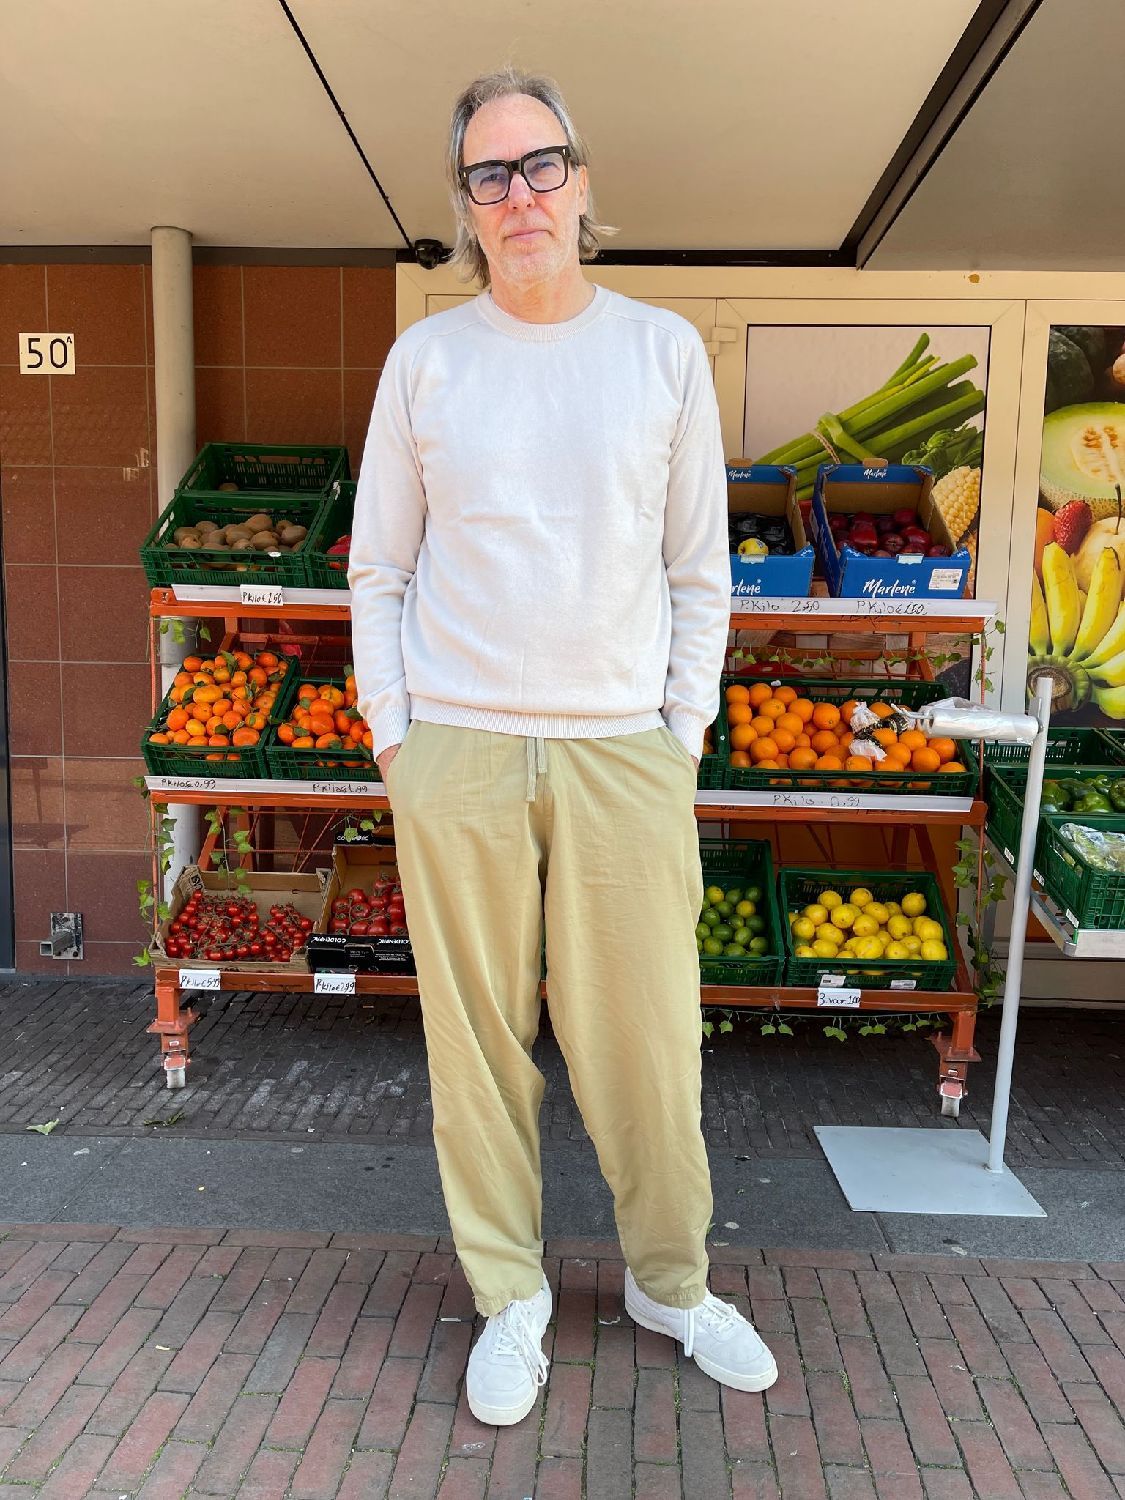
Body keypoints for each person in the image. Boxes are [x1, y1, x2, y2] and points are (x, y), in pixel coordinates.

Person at [350, 65, 777, 1427]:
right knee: (476, 1047)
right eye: (490, 174)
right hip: (459, 747)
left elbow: (699, 569)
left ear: (582, 184)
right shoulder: (427, 362)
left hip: (620, 750)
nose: (519, 195)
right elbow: (379, 567)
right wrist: (396, 734)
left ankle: (668, 1281)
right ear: (466, 204)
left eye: (540, 166)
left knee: (646, 1036)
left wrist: (680, 730)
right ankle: (510, 1297)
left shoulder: (660, 352)